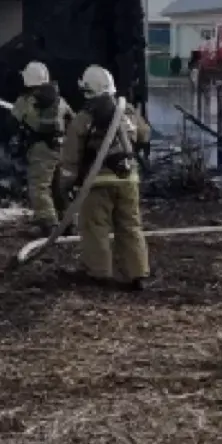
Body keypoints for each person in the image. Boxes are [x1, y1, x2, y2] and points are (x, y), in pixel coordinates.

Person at [58, 65, 152, 290]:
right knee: (130, 226)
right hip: (128, 178)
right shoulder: (126, 111)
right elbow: (145, 134)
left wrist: (66, 184)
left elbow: (71, 156)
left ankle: (98, 273)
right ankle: (137, 273)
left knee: (95, 227)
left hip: (96, 182)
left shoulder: (83, 118)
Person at [10, 61, 74, 234]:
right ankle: (68, 222)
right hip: (60, 147)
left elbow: (13, 120)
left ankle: (48, 223)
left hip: (40, 150)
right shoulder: (60, 100)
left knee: (39, 186)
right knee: (58, 186)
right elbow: (72, 121)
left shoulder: (26, 101)